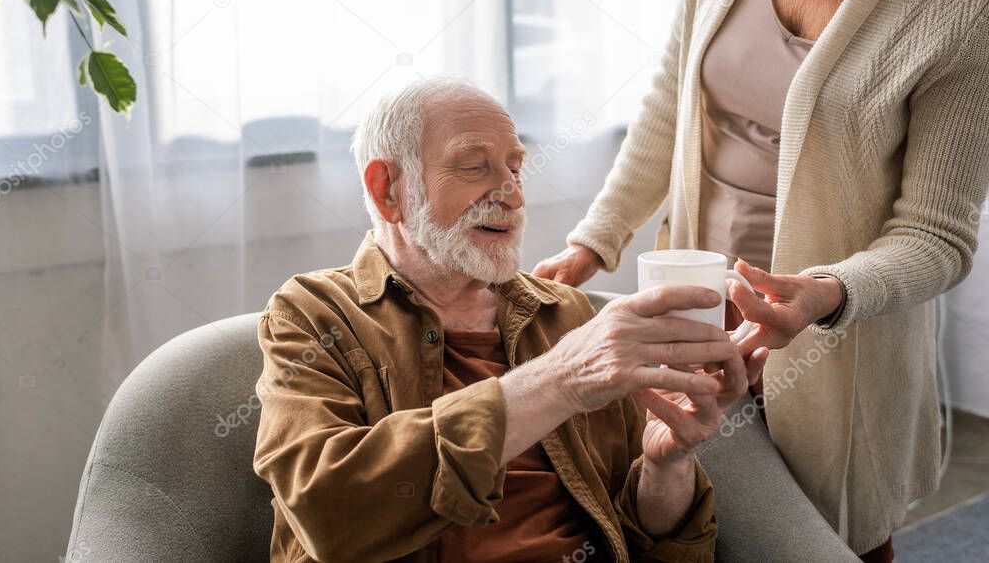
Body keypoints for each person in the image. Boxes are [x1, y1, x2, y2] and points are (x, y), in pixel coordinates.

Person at [534, 0, 989, 559]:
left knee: (826, 541)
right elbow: (672, 96)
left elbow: (937, 234)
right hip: (696, 317)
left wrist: (826, 294)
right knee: (694, 530)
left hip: (835, 347)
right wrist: (595, 241)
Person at [252, 78, 767, 562]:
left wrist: (666, 464)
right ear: (388, 189)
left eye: (515, 168)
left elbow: (658, 547)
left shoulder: (565, 313)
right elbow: (327, 512)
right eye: (475, 167)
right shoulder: (311, 313)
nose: (514, 195)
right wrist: (561, 379)